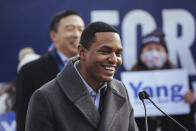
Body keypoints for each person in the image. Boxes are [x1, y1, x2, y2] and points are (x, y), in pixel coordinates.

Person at [25, 21, 139, 131]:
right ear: (82, 52)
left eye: (118, 53)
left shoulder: (121, 90)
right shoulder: (45, 98)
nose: (114, 59)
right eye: (104, 51)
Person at [16, 10, 85, 131]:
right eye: (70, 29)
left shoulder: (94, 69)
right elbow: (23, 119)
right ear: (54, 35)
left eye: (81, 30)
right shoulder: (30, 71)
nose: (77, 34)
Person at [131, 28, 195, 131]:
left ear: (166, 54)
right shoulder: (129, 82)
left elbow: (189, 123)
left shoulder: (181, 80)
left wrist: (191, 104)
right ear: (141, 54)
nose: (154, 53)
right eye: (149, 49)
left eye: (158, 48)